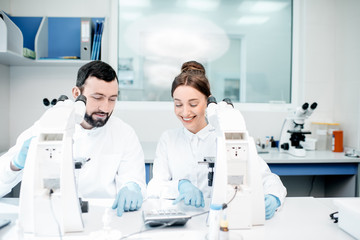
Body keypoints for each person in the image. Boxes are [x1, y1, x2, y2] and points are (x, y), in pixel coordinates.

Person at [0, 60, 146, 217]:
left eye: (112, 99)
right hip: (54, 216)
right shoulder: (48, 123)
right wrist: (15, 164)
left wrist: (133, 186)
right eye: (97, 97)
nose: (105, 107)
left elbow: (133, 179)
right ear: (77, 94)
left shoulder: (124, 133)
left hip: (105, 217)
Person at [147, 61, 287, 219]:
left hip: (220, 219)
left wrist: (274, 198)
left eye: (193, 104)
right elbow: (154, 187)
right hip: (180, 220)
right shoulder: (169, 139)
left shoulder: (225, 136)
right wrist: (180, 185)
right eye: (178, 104)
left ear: (207, 101)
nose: (185, 112)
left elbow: (268, 178)